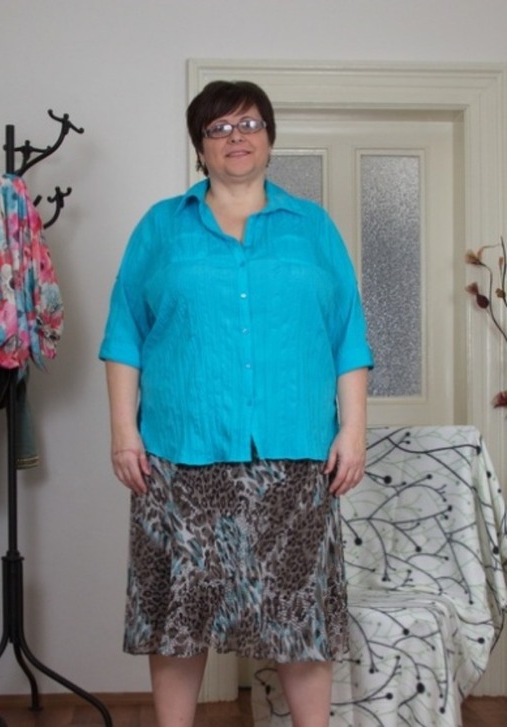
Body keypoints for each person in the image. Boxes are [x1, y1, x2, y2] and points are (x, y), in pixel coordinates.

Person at [99, 80, 373, 727]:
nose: (236, 137)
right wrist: (123, 432)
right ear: (200, 147)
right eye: (218, 128)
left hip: (295, 453)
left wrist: (354, 429)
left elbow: (348, 336)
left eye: (248, 123)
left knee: (299, 617)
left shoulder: (313, 228)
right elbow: (124, 334)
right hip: (180, 453)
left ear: (270, 137)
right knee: (179, 617)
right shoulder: (161, 227)